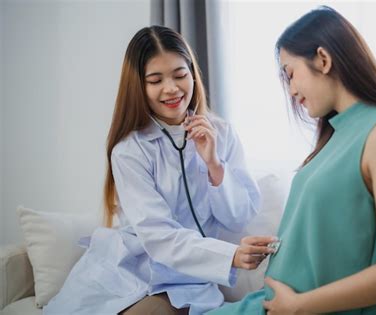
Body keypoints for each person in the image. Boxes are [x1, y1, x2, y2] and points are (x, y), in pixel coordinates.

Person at [207, 5, 376, 315]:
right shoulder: (335, 135)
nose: (291, 90)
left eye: (291, 74)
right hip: (272, 306)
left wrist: (299, 305)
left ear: (323, 59)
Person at [43, 25, 276, 315]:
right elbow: (159, 237)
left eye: (180, 75)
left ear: (192, 74)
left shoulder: (221, 133)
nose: (172, 89)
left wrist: (214, 164)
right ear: (138, 87)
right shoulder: (130, 151)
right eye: (155, 80)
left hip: (186, 279)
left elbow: (239, 216)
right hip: (129, 271)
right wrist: (230, 255)